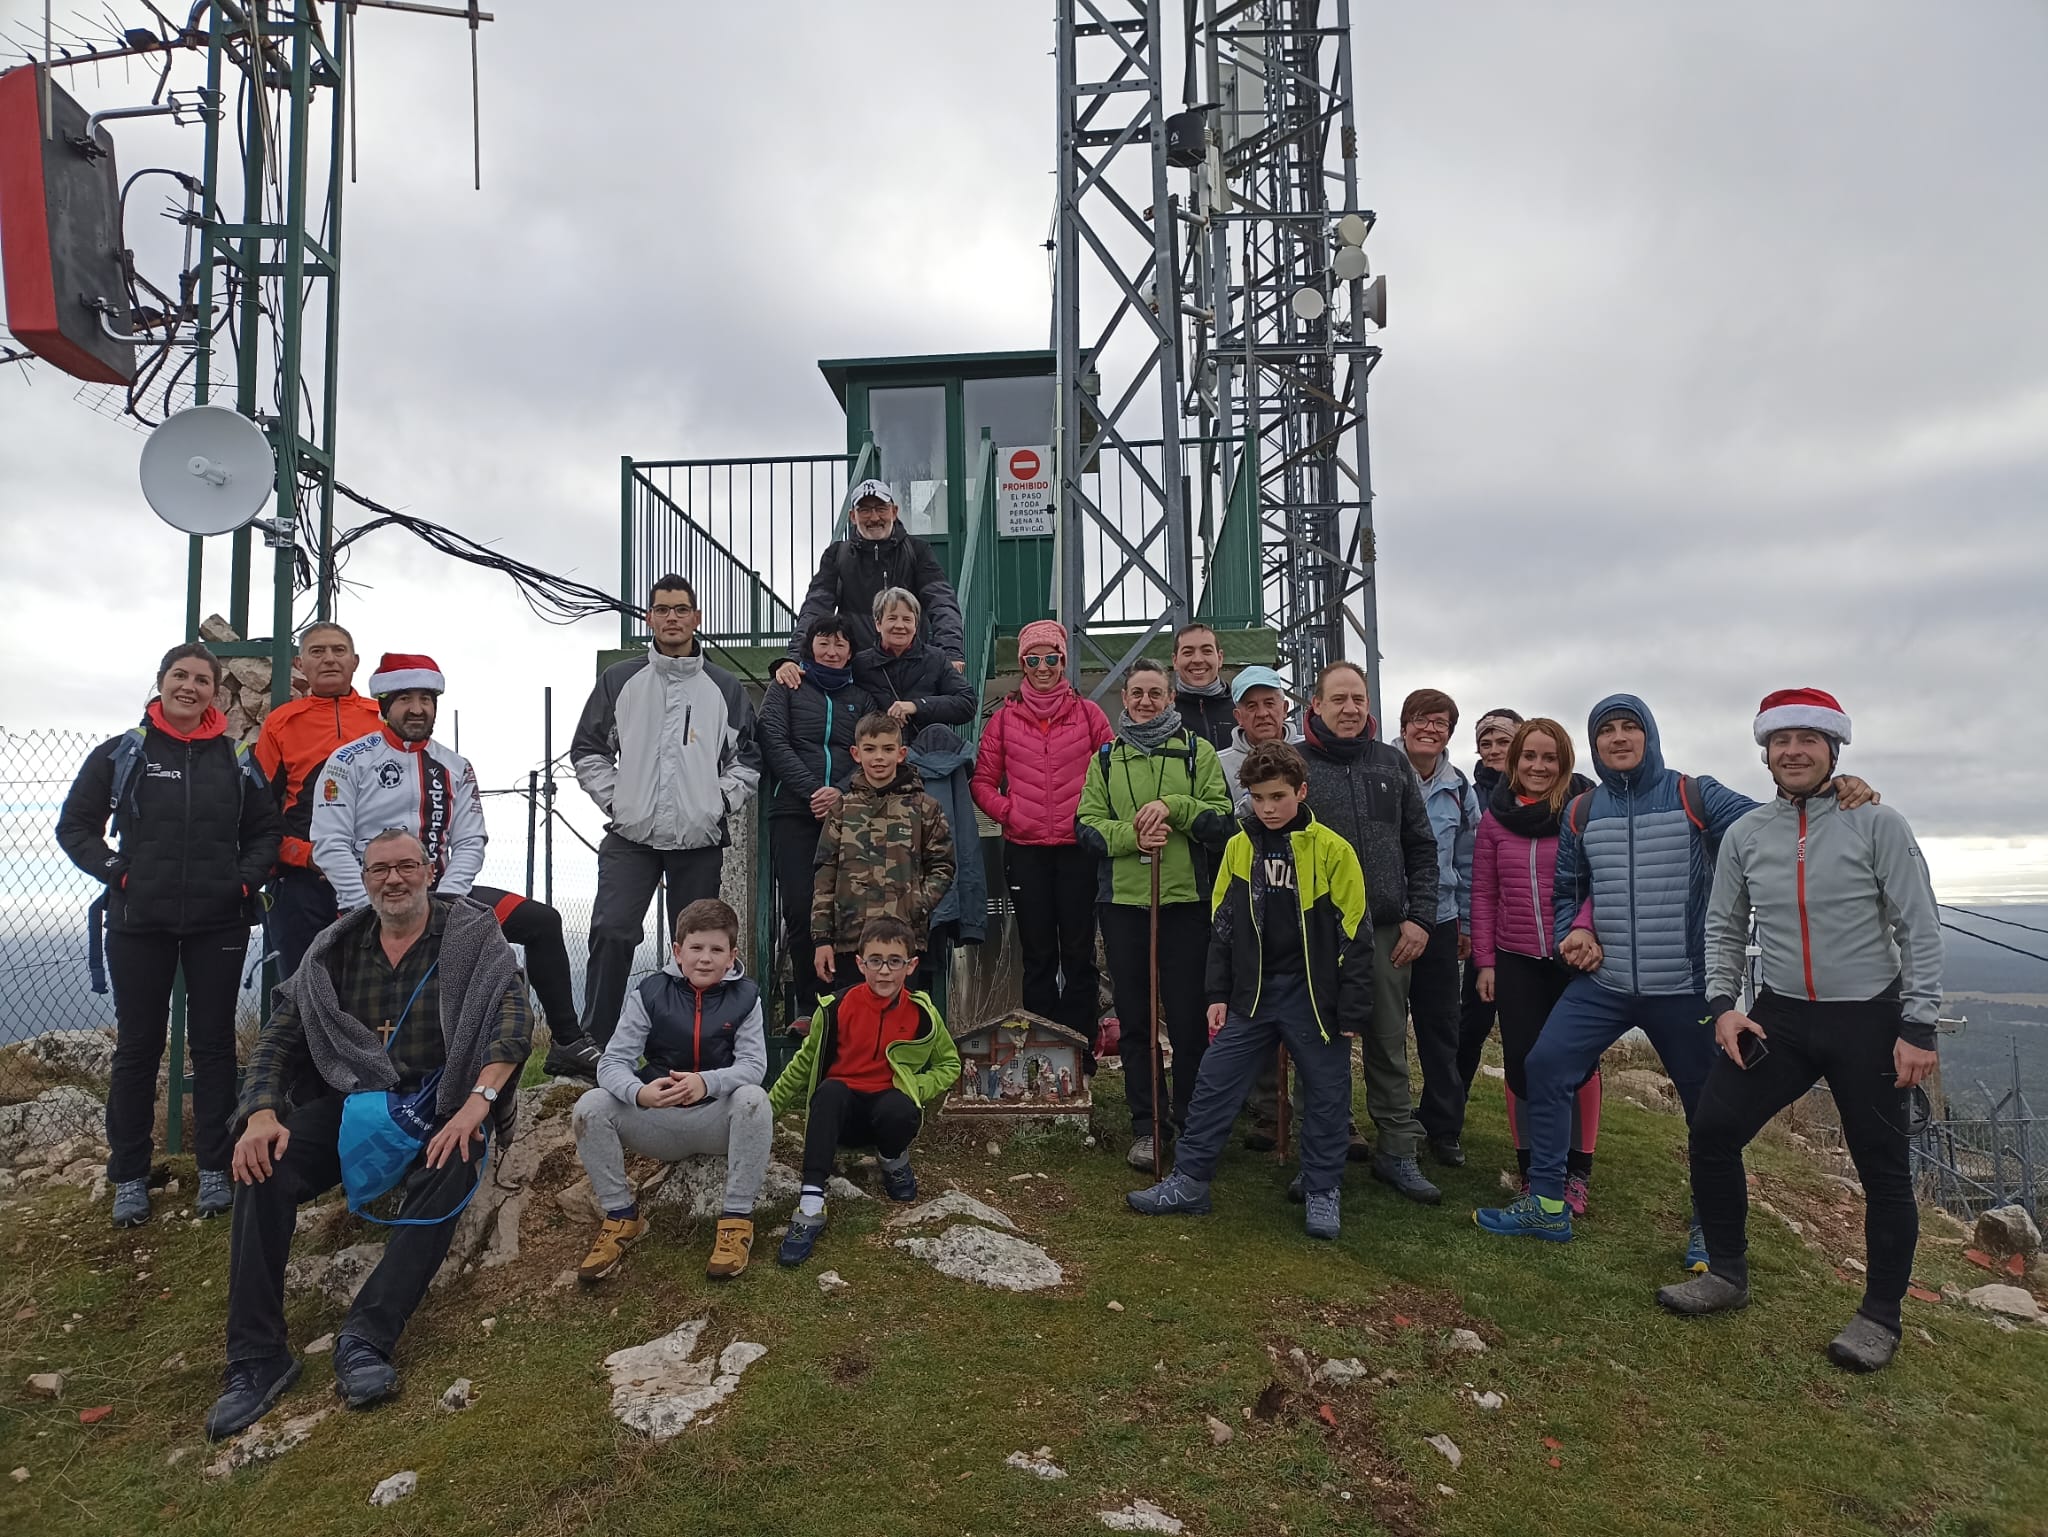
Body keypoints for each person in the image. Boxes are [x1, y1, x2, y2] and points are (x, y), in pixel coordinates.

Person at [1473, 693, 1878, 1264]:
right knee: (1543, 1066)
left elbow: (1776, 820)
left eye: (1628, 728)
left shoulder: (1695, 793)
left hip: (1684, 986)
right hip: (1606, 984)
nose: (1618, 738)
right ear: (1594, 744)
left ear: (1649, 736)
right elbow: (1569, 890)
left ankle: (1709, 1229)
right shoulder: (1582, 812)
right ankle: (1546, 1202)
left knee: (1707, 1110)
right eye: (1606, 730)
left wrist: (1833, 792)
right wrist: (1573, 936)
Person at [205, 829, 533, 1438]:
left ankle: (365, 1338)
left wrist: (476, 1105)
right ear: (363, 877)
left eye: (406, 865)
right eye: (380, 869)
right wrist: (260, 1113)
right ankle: (257, 1358)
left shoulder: (470, 937)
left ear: (430, 871)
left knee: (454, 1162)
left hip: (441, 1100)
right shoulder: (335, 950)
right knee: (261, 1164)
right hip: (355, 1105)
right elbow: (281, 1034)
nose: (393, 879)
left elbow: (513, 1016)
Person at [1657, 690, 1941, 1373]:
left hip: (1869, 1015)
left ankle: (1880, 1316)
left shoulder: (1878, 823)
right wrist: (1724, 1004)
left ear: (1832, 748)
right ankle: (1725, 1271)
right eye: (1780, 740)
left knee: (1884, 1171)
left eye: (1807, 739)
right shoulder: (1750, 833)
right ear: (1765, 752)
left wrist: (1919, 1025)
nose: (1792, 750)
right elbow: (1723, 925)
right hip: (1779, 1014)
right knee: (1714, 1131)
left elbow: (1919, 926)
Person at [57, 642, 282, 1228]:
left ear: (215, 691)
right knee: (138, 1050)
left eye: (202, 679)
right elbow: (75, 827)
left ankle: (214, 1168)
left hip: (219, 922)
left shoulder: (236, 758)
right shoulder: (122, 753)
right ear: (160, 683)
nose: (190, 687)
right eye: (179, 676)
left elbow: (266, 831)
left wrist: (241, 883)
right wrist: (119, 872)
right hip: (138, 921)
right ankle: (129, 1176)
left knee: (213, 1048)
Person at [310, 654, 599, 1079]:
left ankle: (567, 1042)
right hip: (373, 901)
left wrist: (446, 900)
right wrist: (364, 903)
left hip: (446, 898)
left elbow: (469, 840)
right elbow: (329, 842)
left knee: (542, 921)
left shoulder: (456, 766)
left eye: (426, 698)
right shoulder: (347, 762)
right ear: (384, 705)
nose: (417, 708)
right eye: (405, 698)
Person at [1126, 742, 1371, 1239]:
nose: (1268, 807)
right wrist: (1216, 994)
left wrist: (1352, 1006)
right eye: (1258, 798)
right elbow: (1222, 927)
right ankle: (1190, 1182)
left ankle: (1322, 1188)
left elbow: (1357, 934)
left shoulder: (1333, 850)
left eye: (1278, 796)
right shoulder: (1240, 846)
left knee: (1326, 1095)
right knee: (1214, 1083)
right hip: (1254, 995)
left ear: (1301, 792)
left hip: (1314, 998)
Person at [573, 574, 761, 1045]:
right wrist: (618, 800)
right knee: (613, 932)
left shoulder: (723, 686)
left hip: (698, 841)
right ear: (648, 618)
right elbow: (589, 749)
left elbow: (750, 759)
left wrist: (715, 803)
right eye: (662, 609)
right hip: (630, 837)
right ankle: (595, 1043)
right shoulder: (620, 680)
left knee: (697, 949)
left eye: (681, 609)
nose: (672, 618)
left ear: (697, 618)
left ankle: (684, 1047)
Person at [1077, 658, 1234, 1171]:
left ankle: (1192, 1121)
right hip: (1123, 906)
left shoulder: (1197, 752)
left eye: (1155, 693)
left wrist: (1174, 807)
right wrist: (1133, 836)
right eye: (1137, 693)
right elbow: (1087, 828)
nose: (1145, 701)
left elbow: (1221, 819)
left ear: (1170, 698)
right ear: (1124, 699)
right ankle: (1147, 1125)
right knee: (1137, 1021)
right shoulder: (1104, 760)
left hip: (1185, 903)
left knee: (1189, 1019)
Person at [1296, 661, 1442, 1203]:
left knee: (1386, 1041)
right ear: (1316, 705)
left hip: (1384, 930)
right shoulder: (1297, 764)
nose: (1351, 708)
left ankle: (1397, 1153)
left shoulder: (1393, 765)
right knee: (1315, 1043)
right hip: (1316, 930)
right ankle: (1318, 1154)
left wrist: (1420, 916)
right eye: (1339, 699)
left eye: (1358, 698)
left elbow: (1421, 847)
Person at [571, 898, 772, 1284]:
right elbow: (612, 1063)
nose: (705, 959)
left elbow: (753, 1066)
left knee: (753, 1100)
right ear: (678, 952)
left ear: (732, 956)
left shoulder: (746, 997)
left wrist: (706, 1082)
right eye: (696, 948)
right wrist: (639, 1094)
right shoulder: (650, 992)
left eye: (717, 950)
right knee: (590, 1106)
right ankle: (620, 1217)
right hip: (657, 1117)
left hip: (716, 1122)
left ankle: (735, 1222)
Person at [768, 916, 961, 1266]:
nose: (884, 971)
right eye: (875, 961)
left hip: (886, 1113)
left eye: (894, 961)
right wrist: (766, 1114)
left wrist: (915, 1085)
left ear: (910, 965)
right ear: (860, 964)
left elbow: (949, 1065)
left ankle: (893, 1159)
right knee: (828, 1092)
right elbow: (800, 1066)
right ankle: (811, 1202)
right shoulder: (836, 1008)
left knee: (900, 1108)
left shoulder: (923, 1015)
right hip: (843, 1116)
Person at [1469, 718, 1600, 1206]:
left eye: (1550, 758)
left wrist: (1585, 928)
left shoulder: (1583, 812)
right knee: (1522, 1063)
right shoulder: (1495, 818)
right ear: (1513, 761)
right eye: (1529, 756)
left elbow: (1598, 881)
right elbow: (1483, 894)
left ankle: (1576, 1172)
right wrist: (1485, 962)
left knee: (1579, 1065)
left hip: (1574, 959)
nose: (1538, 766)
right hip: (1515, 958)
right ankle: (1531, 1169)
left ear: (1564, 762)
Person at [971, 619, 1113, 1060]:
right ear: (1023, 665)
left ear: (1064, 661)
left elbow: (1113, 772)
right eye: (1034, 659)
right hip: (1026, 851)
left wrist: (1093, 818)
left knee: (1078, 953)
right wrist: (1010, 813)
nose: (1044, 666)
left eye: (1052, 657)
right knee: (1036, 955)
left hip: (1077, 850)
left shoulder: (1091, 715)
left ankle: (1081, 1050)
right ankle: (1042, 1051)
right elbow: (981, 781)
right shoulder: (1003, 720)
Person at [757, 616, 875, 1023]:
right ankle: (809, 1005)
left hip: (848, 813)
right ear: (810, 647)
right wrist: (812, 790)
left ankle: (846, 1005)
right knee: (802, 906)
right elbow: (771, 738)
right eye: (824, 642)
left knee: (848, 909)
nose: (832, 651)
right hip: (794, 811)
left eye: (841, 644)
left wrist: (840, 790)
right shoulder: (786, 686)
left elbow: (872, 747)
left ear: (851, 651)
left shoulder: (862, 696)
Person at [252, 622, 382, 978]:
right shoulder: (281, 724)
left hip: (377, 876)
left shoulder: (382, 719)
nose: (329, 659)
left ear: (355, 661)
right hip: (302, 880)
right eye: (317, 652)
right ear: (299, 664)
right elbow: (259, 812)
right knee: (300, 991)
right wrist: (307, 857)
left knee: (371, 992)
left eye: (338, 651)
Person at [1213, 664, 1301, 1149]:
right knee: (1258, 999)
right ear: (1238, 713)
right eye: (1251, 705)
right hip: (1249, 891)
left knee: (1310, 1011)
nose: (1262, 712)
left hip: (1303, 897)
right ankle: (1270, 1110)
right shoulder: (1221, 762)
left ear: (1285, 706)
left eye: (1270, 702)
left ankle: (1319, 1115)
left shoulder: (1309, 754)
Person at [810, 712, 956, 993]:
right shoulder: (841, 809)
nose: (879, 757)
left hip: (903, 940)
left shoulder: (925, 808)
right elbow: (825, 874)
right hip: (850, 941)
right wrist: (821, 939)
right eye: (870, 749)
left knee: (900, 1021)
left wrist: (916, 904)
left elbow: (943, 866)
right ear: (856, 753)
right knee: (852, 1021)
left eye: (888, 749)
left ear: (901, 753)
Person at [1398, 689, 1481, 1168]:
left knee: (1440, 1029)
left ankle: (1443, 1126)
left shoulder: (1459, 789)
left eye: (1441, 723)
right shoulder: (1382, 770)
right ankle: (1386, 1121)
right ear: (1405, 723)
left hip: (1443, 920)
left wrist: (1466, 920)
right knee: (1380, 1029)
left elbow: (1468, 861)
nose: (1430, 729)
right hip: (1389, 919)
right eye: (1421, 720)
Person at [775, 478, 966, 683]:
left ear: (894, 511)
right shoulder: (836, 556)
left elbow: (941, 602)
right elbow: (816, 608)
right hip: (858, 672)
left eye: (880, 508)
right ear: (853, 517)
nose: (874, 517)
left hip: (912, 670)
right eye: (864, 510)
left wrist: (951, 652)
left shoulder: (918, 551)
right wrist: (794, 657)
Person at [1454, 708, 1523, 1095]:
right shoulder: (1469, 794)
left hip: (1528, 925)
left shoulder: (1546, 789)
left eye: (1503, 741)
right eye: (1486, 743)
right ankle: (1449, 1110)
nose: (1494, 750)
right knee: (1470, 1024)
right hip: (1481, 923)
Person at [850, 586, 977, 730]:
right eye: (892, 618)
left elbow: (967, 703)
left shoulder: (935, 659)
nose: (900, 625)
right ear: (878, 624)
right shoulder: (860, 665)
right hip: (881, 748)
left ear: (916, 625)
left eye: (907, 619)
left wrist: (917, 706)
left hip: (927, 748)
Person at [1170, 623, 1237, 748]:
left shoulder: (1241, 708)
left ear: (1220, 658)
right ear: (1175, 661)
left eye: (1206, 651)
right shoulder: (1164, 713)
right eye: (1188, 652)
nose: (1198, 660)